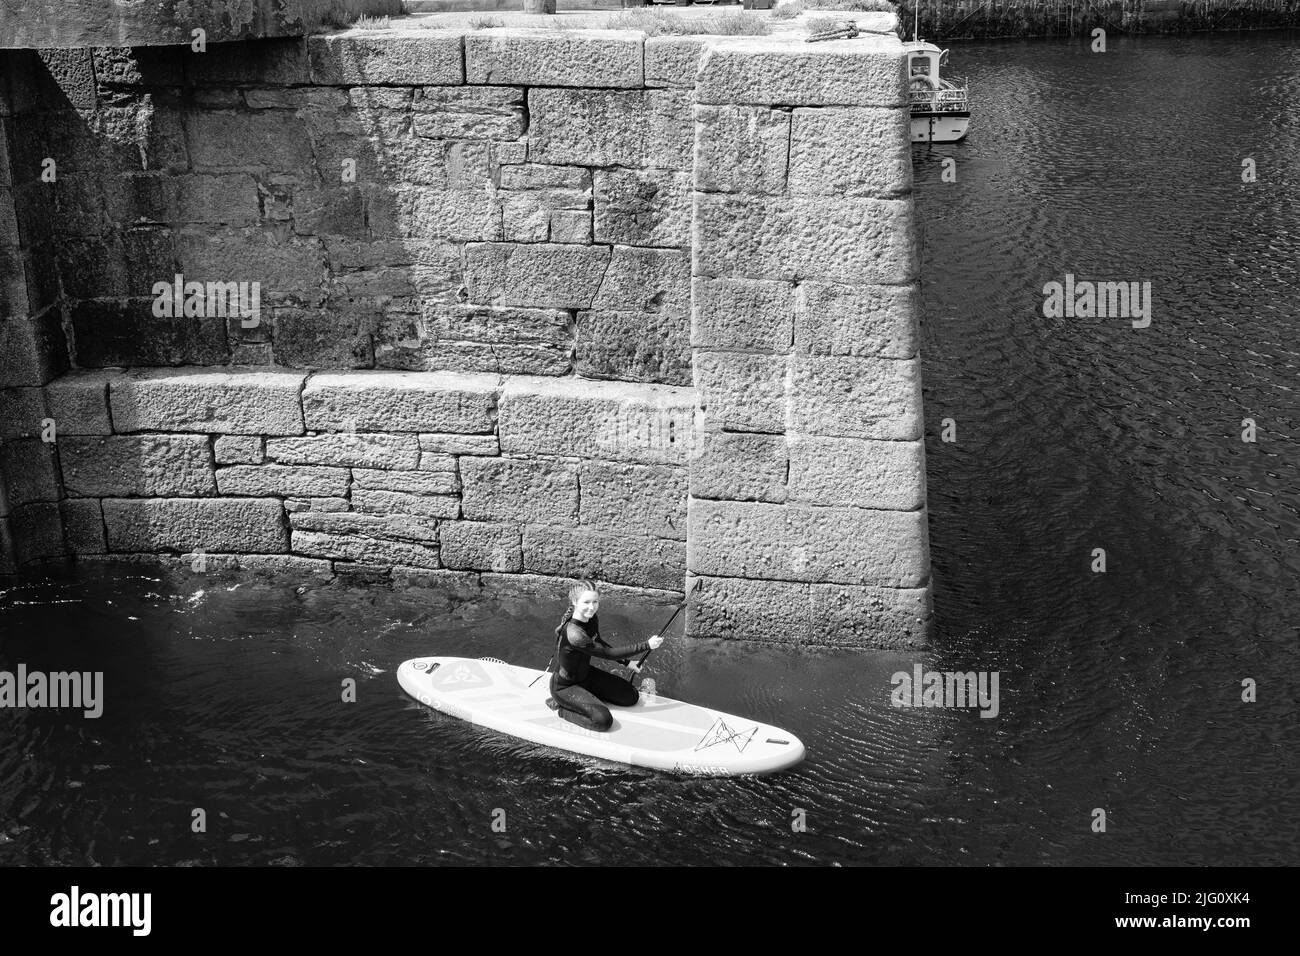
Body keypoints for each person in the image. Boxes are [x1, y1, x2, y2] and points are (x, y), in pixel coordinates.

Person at [546, 579, 664, 733]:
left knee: (631, 696)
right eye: (586, 602)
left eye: (595, 601)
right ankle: (561, 709)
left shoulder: (592, 618)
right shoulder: (574, 633)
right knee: (603, 721)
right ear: (575, 601)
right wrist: (646, 645)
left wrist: (627, 663)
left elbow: (600, 643)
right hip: (565, 688)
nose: (591, 607)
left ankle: (588, 695)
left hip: (586, 676)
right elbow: (607, 654)